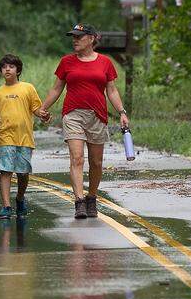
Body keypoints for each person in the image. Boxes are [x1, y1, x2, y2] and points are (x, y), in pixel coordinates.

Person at [37, 23, 130, 219]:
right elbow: (56, 89)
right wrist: (43, 108)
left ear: (91, 38)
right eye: (73, 37)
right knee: (77, 158)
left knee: (96, 162)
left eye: (79, 37)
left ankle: (91, 197)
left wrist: (121, 112)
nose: (75, 40)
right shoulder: (66, 62)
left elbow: (111, 90)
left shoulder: (105, 62)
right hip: (73, 115)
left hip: (97, 115)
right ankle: (79, 201)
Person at [0, 53, 42, 219]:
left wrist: (44, 115)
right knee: (5, 171)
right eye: (4, 67)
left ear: (18, 70)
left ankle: (20, 198)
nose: (7, 69)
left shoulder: (28, 88)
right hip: (4, 137)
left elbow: (36, 109)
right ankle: (6, 206)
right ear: (1, 71)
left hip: (24, 138)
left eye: (11, 66)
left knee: (23, 173)